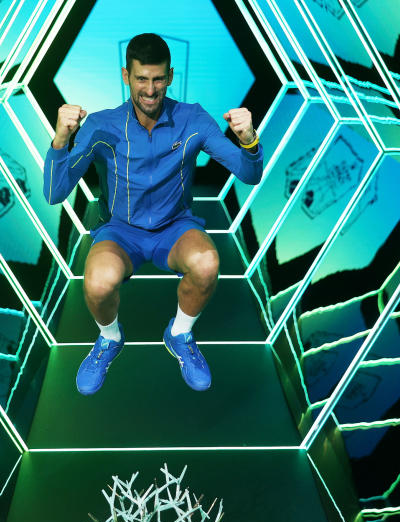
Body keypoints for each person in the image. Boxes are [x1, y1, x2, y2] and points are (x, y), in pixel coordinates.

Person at [43, 32, 263, 395]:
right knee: (97, 283)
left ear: (171, 76)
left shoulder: (193, 119)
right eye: (141, 78)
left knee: (207, 263)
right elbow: (54, 193)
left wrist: (248, 138)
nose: (150, 89)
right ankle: (110, 339)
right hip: (119, 231)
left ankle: (179, 335)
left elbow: (249, 174)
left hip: (174, 228)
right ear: (126, 76)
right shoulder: (101, 125)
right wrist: (60, 139)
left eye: (158, 78)